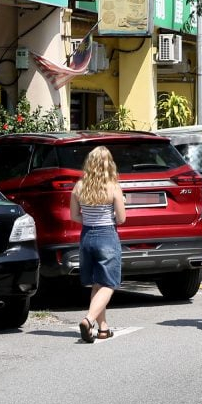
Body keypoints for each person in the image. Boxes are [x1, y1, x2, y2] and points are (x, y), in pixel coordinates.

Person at [69, 146, 126, 343]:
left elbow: (74, 215)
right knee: (110, 283)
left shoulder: (79, 186)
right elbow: (121, 219)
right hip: (107, 235)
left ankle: (103, 328)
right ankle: (89, 319)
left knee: (97, 282)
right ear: (109, 164)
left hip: (86, 237)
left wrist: (89, 219)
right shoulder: (113, 187)